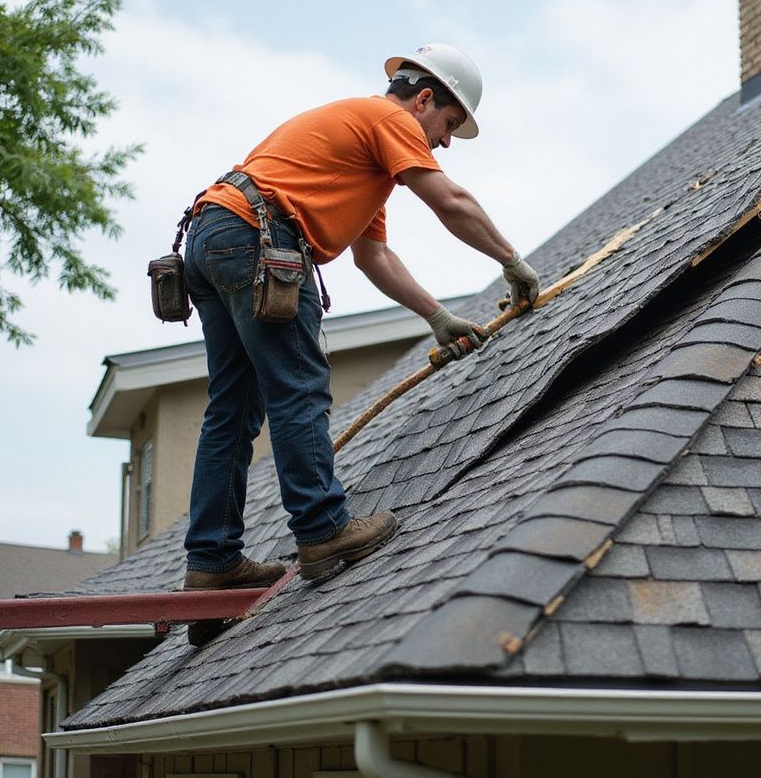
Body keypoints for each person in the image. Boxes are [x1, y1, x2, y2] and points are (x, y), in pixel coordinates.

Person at [180, 44, 539, 622]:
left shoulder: (359, 156)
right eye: (448, 124)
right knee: (298, 390)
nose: (444, 142)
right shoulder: (390, 121)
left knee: (233, 409)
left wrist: (437, 317)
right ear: (423, 99)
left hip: (215, 234)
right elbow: (450, 200)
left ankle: (212, 560)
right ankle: (323, 529)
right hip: (258, 239)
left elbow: (373, 257)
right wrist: (510, 259)